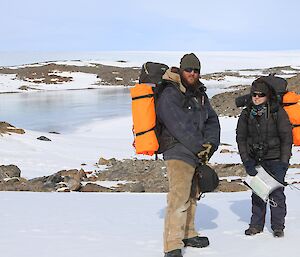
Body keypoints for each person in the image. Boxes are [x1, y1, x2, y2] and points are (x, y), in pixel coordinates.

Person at [156, 53, 220, 257]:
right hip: (178, 151)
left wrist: (211, 144)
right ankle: (172, 244)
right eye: (189, 69)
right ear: (181, 70)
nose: (193, 73)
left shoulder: (200, 93)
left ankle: (188, 232)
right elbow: (178, 125)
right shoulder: (170, 93)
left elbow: (212, 120)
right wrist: (200, 147)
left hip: (196, 152)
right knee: (179, 198)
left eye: (196, 70)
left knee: (193, 195)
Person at [236, 77, 293, 238]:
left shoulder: (277, 112)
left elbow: (286, 138)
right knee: (258, 194)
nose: (256, 97)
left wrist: (283, 163)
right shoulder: (246, 113)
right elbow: (241, 138)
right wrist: (247, 161)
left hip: (275, 160)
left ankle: (278, 226)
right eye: (254, 94)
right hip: (256, 160)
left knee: (276, 194)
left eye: (261, 94)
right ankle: (256, 225)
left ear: (267, 96)